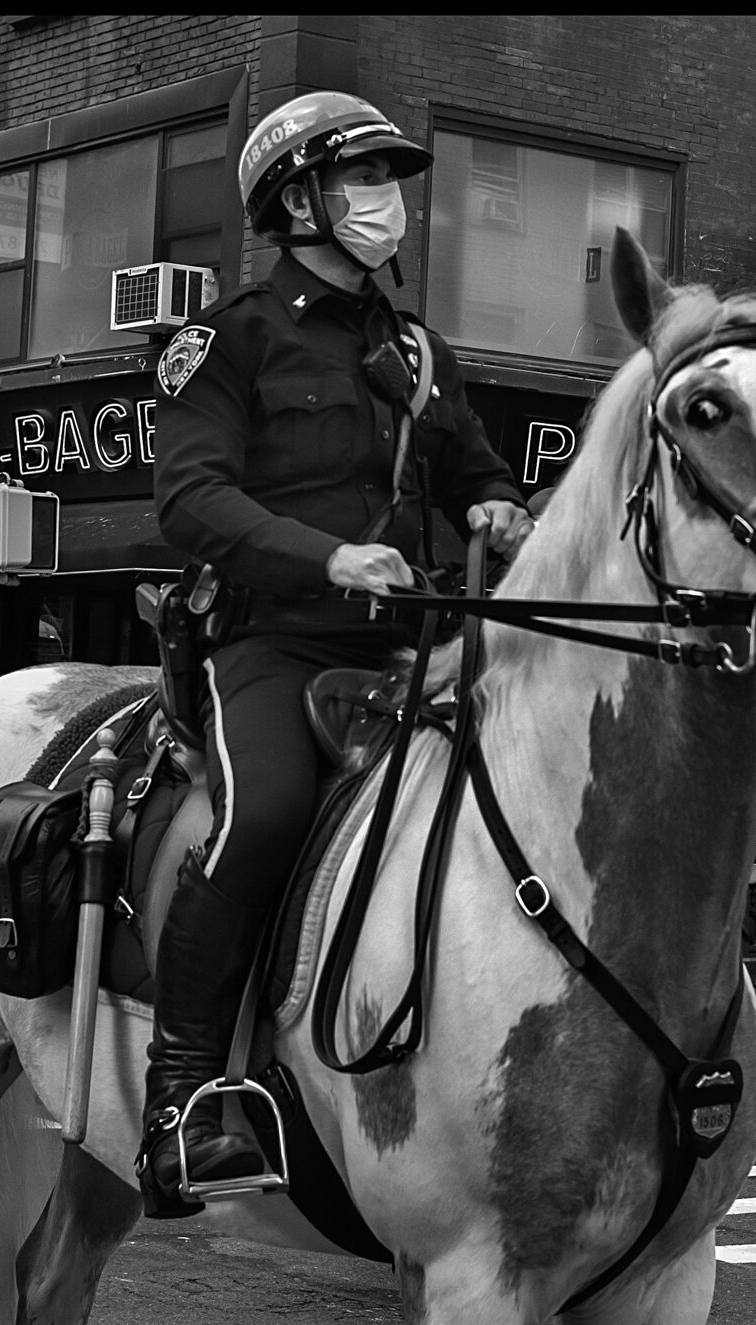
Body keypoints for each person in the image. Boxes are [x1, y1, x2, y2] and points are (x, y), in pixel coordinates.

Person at [142, 90, 533, 1216]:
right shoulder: (227, 338)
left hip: (412, 655)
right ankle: (183, 1105)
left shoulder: (417, 353)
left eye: (391, 183)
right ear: (298, 201)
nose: (388, 204)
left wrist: (501, 509)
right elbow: (189, 498)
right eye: (362, 181)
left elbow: (473, 472)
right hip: (268, 643)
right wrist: (328, 560)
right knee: (262, 813)